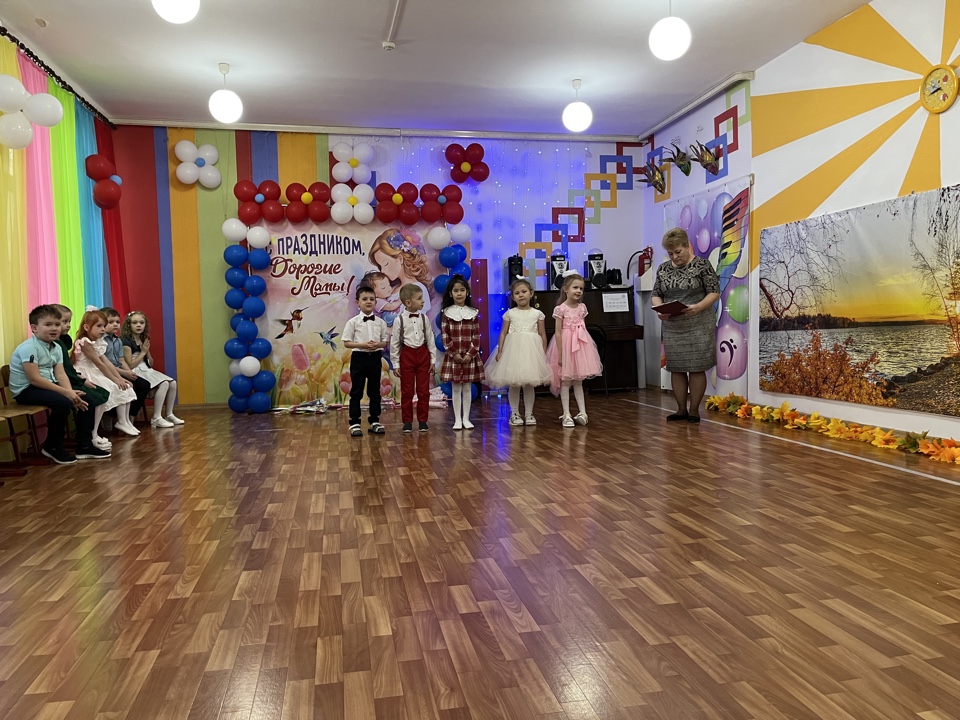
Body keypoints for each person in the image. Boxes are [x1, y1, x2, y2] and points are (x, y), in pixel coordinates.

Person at [8, 305, 109, 464]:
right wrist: (66, 393)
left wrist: (71, 392)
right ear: (34, 328)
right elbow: (35, 379)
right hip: (27, 390)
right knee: (62, 402)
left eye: (57, 324)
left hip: (47, 385)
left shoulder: (56, 347)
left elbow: (60, 374)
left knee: (87, 399)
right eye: (48, 325)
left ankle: (84, 445)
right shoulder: (29, 348)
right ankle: (52, 446)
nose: (54, 328)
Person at [652, 227, 721, 423]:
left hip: (699, 323)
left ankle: (694, 410)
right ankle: (681, 409)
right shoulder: (663, 269)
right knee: (677, 367)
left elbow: (714, 292)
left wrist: (698, 307)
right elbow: (656, 294)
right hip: (673, 326)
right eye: (670, 254)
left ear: (686, 246)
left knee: (696, 367)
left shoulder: (702, 265)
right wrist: (660, 310)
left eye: (678, 252)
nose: (674, 257)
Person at [484, 277, 552, 426]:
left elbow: (542, 334)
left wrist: (544, 352)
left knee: (529, 384)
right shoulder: (510, 313)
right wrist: (500, 351)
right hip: (513, 351)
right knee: (513, 383)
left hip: (531, 352)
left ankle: (529, 414)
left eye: (524, 292)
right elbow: (503, 333)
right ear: (513, 297)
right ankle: (514, 413)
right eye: (517, 293)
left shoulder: (537, 313)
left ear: (531, 293)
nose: (521, 295)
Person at [72, 309, 139, 443]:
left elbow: (107, 362)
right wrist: (115, 380)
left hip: (96, 371)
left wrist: (120, 378)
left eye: (104, 325)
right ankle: (95, 432)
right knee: (113, 388)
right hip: (87, 373)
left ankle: (124, 420)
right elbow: (99, 364)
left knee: (125, 387)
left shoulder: (99, 342)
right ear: (86, 327)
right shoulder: (85, 342)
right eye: (99, 326)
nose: (103, 329)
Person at [547, 272, 603, 428]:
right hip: (565, 346)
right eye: (575, 287)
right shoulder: (560, 309)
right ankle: (566, 414)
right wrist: (560, 353)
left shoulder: (582, 308)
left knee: (579, 381)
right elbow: (558, 332)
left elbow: (582, 327)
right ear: (566, 289)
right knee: (565, 381)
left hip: (580, 346)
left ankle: (583, 412)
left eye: (581, 288)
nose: (578, 291)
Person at [52, 305, 111, 447]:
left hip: (72, 378)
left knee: (102, 393)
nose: (68, 325)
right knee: (91, 398)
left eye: (69, 322)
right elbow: (62, 371)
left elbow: (67, 368)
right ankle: (87, 438)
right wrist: (80, 381)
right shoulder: (56, 345)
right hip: (63, 382)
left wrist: (81, 379)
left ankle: (93, 434)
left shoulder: (62, 343)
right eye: (64, 322)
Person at [341, 285, 390, 437]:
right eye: (364, 299)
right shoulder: (353, 322)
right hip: (359, 358)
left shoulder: (380, 323)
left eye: (371, 299)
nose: (368, 302)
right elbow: (346, 343)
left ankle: (374, 421)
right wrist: (362, 345)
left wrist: (378, 345)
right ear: (358, 302)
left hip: (375, 358)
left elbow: (385, 341)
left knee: (375, 391)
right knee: (356, 390)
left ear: (375, 302)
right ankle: (355, 422)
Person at [121, 311, 184, 426]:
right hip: (135, 370)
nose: (139, 325)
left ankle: (169, 414)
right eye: (135, 323)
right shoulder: (126, 341)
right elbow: (130, 365)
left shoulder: (143, 339)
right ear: (129, 325)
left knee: (173, 383)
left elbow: (151, 362)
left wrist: (147, 352)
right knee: (164, 383)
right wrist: (143, 352)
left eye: (141, 323)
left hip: (146, 369)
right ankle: (156, 417)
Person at [389, 283, 437, 433]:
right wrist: (396, 364)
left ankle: (423, 421)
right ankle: (407, 421)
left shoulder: (424, 318)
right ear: (409, 303)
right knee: (407, 391)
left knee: (424, 391)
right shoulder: (399, 320)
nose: (423, 301)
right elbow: (395, 343)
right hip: (407, 355)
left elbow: (430, 339)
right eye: (419, 298)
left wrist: (433, 360)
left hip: (422, 355)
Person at [439, 275, 484, 430]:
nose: (459, 293)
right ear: (451, 294)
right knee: (456, 388)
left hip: (470, 357)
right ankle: (457, 419)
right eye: (456, 290)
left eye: (462, 290)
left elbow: (476, 336)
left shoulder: (473, 313)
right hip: (454, 357)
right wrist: (455, 354)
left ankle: (466, 418)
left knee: (467, 387)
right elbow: (445, 336)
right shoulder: (446, 313)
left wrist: (470, 354)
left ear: (467, 292)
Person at [100, 306, 152, 428]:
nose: (115, 324)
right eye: (111, 322)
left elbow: (121, 360)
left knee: (144, 385)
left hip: (119, 370)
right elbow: (105, 364)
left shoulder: (118, 341)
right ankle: (111, 414)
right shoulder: (101, 341)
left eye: (117, 322)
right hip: (107, 371)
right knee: (126, 386)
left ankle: (129, 415)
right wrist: (125, 374)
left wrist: (129, 372)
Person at [369, 228, 433, 313]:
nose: (382, 271)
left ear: (400, 259)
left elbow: (417, 318)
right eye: (380, 267)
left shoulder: (417, 289)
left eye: (385, 264)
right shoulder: (391, 289)